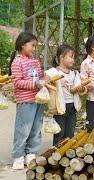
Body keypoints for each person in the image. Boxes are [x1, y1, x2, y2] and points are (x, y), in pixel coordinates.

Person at [10, 32, 46, 169]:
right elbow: (17, 82)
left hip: (38, 100)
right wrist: (34, 84)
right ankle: (18, 155)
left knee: (36, 128)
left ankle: (31, 152)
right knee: (23, 129)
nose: (34, 49)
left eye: (35, 46)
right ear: (22, 45)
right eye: (32, 45)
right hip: (25, 101)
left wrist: (43, 81)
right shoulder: (17, 62)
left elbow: (40, 77)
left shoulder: (35, 62)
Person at [46, 44, 85, 145]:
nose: (73, 60)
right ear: (61, 57)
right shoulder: (54, 71)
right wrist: (50, 80)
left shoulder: (75, 73)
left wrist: (80, 88)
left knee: (70, 132)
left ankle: (67, 152)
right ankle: (56, 152)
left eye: (73, 57)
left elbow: (78, 89)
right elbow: (46, 79)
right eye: (70, 57)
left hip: (72, 106)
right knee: (59, 131)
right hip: (60, 107)